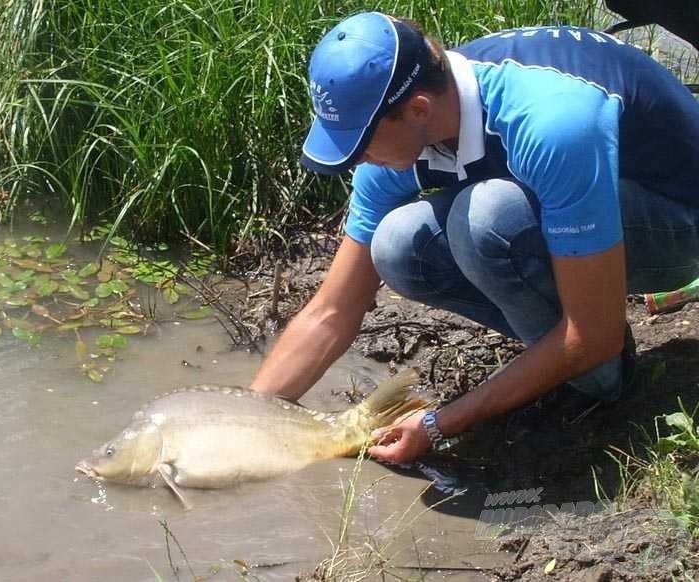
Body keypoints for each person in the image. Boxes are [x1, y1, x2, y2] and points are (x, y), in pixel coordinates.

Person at [249, 12, 699, 463]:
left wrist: (439, 422)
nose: (358, 158)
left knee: (487, 218)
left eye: (362, 141)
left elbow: (595, 335)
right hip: (597, 214)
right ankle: (560, 351)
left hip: (681, 221)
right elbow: (331, 312)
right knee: (398, 244)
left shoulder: (552, 122)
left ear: (419, 109)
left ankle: (601, 378)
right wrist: (242, 421)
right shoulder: (425, 112)